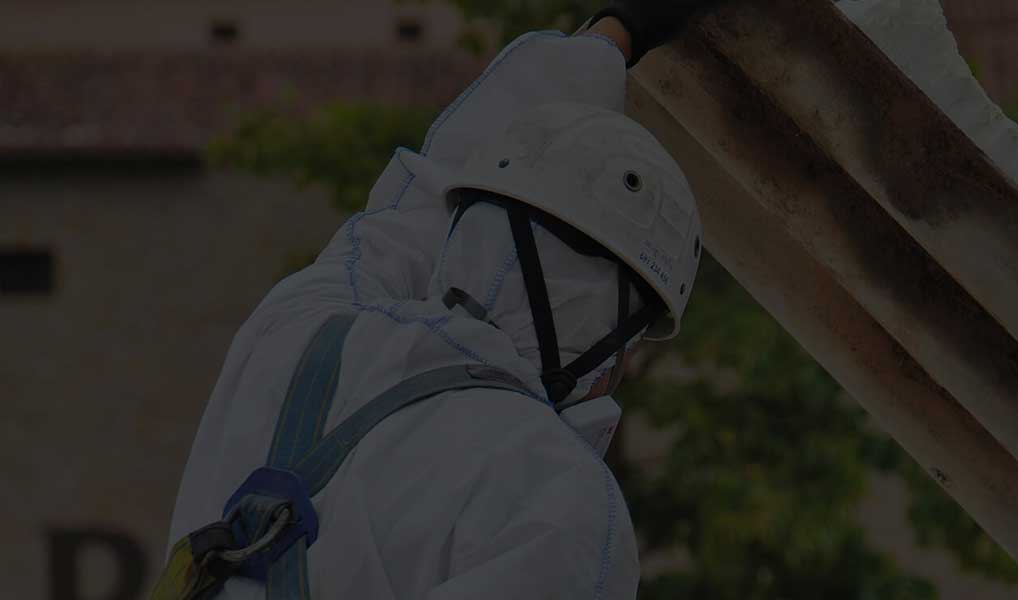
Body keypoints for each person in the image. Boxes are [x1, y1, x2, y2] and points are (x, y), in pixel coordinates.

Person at [155, 3, 723, 598]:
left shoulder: (298, 325)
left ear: (471, 221)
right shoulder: (560, 504)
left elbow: (417, 204)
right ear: (608, 334)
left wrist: (616, 31)